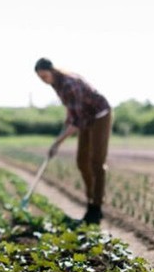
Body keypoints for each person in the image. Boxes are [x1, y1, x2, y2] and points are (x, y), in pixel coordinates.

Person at [34, 58, 112, 225]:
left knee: (97, 162)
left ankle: (96, 209)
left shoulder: (69, 83)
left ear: (52, 71)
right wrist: (63, 129)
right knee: (82, 162)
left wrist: (57, 143)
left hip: (100, 115)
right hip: (86, 118)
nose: (43, 80)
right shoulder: (57, 85)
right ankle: (90, 199)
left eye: (44, 76)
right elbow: (73, 113)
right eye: (40, 78)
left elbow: (77, 122)